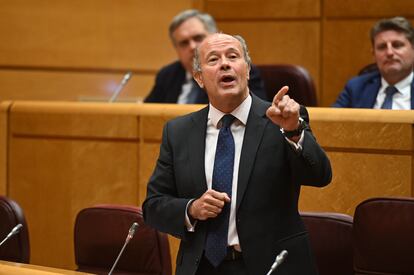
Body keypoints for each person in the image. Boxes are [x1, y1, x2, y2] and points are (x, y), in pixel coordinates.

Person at [143, 33, 332, 275]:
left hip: (270, 266)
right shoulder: (178, 132)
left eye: (233, 56)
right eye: (213, 60)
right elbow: (154, 206)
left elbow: (321, 176)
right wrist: (192, 208)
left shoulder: (281, 120)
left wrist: (294, 131)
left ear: (247, 69)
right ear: (199, 78)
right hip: (202, 267)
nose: (224, 64)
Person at [144, 9, 267, 104]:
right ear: (177, 49)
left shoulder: (237, 71)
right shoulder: (167, 75)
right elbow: (146, 115)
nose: (192, 47)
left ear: (214, 36)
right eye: (184, 43)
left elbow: (257, 115)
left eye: (198, 38)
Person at [333, 16, 414, 109]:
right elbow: (331, 122)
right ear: (374, 54)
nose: (389, 53)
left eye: (397, 45)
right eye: (382, 47)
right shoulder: (356, 88)